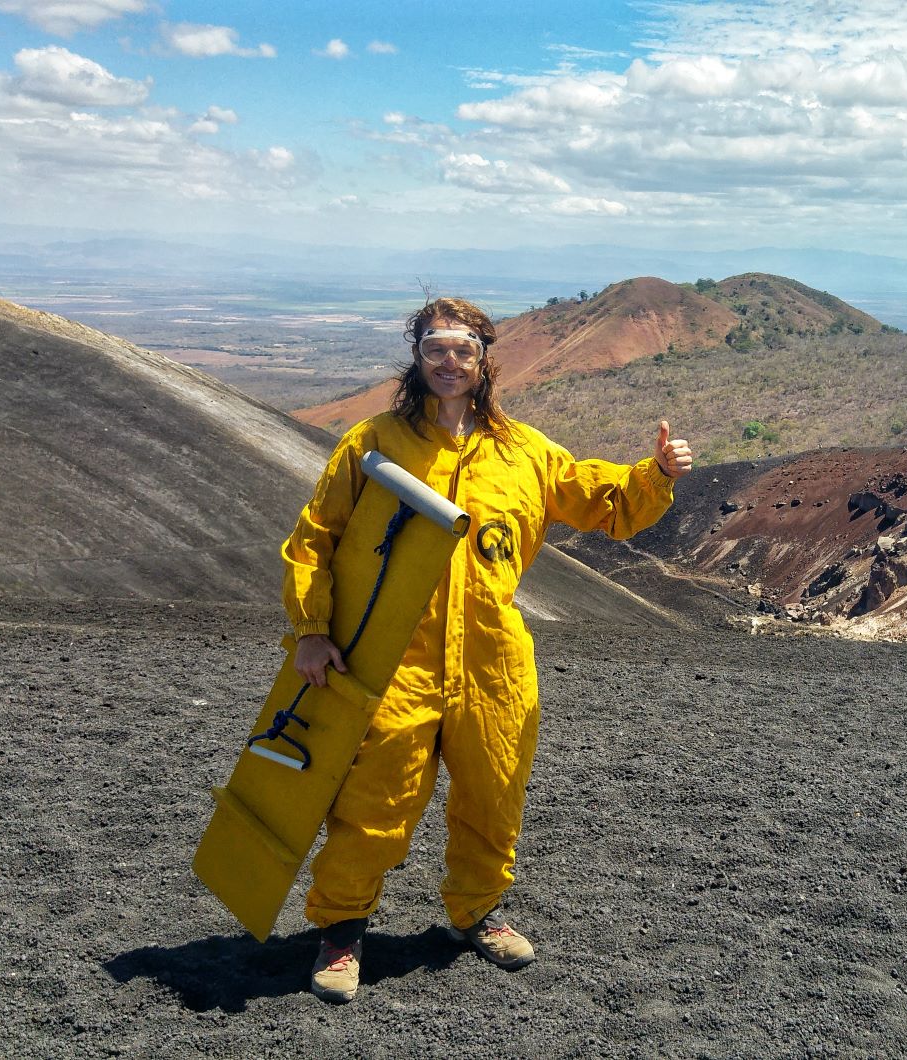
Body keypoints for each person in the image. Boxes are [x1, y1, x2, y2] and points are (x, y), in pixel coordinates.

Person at [280, 295, 692, 1004]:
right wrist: (312, 632)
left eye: (462, 349)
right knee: (377, 805)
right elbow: (314, 537)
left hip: (492, 663)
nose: (449, 361)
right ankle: (342, 932)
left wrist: (655, 475)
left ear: (483, 359)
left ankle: (477, 912)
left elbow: (603, 502)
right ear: (417, 356)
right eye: (435, 347)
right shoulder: (371, 443)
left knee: (492, 797)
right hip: (391, 662)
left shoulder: (521, 450)